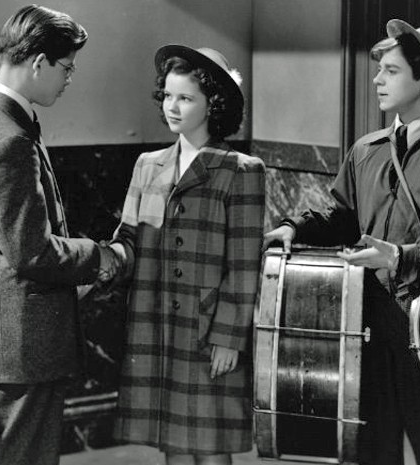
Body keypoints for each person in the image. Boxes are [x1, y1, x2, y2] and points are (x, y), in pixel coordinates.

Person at [264, 19, 420, 465]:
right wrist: (295, 227)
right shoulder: (366, 150)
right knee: (372, 448)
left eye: (391, 71)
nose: (377, 79)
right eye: (379, 70)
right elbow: (342, 216)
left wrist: (399, 257)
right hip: (367, 322)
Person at [0, 5, 120, 465]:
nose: (69, 79)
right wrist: (101, 256)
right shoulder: (8, 137)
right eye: (67, 67)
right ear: (40, 63)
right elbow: (33, 252)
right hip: (22, 342)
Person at [111, 45, 265, 465]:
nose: (172, 106)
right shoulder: (148, 165)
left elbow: (244, 264)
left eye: (185, 98)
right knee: (174, 445)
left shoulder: (241, 169)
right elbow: (128, 237)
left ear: (212, 104)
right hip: (157, 325)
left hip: (209, 328)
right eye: (167, 95)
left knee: (211, 447)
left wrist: (228, 338)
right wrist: (98, 263)